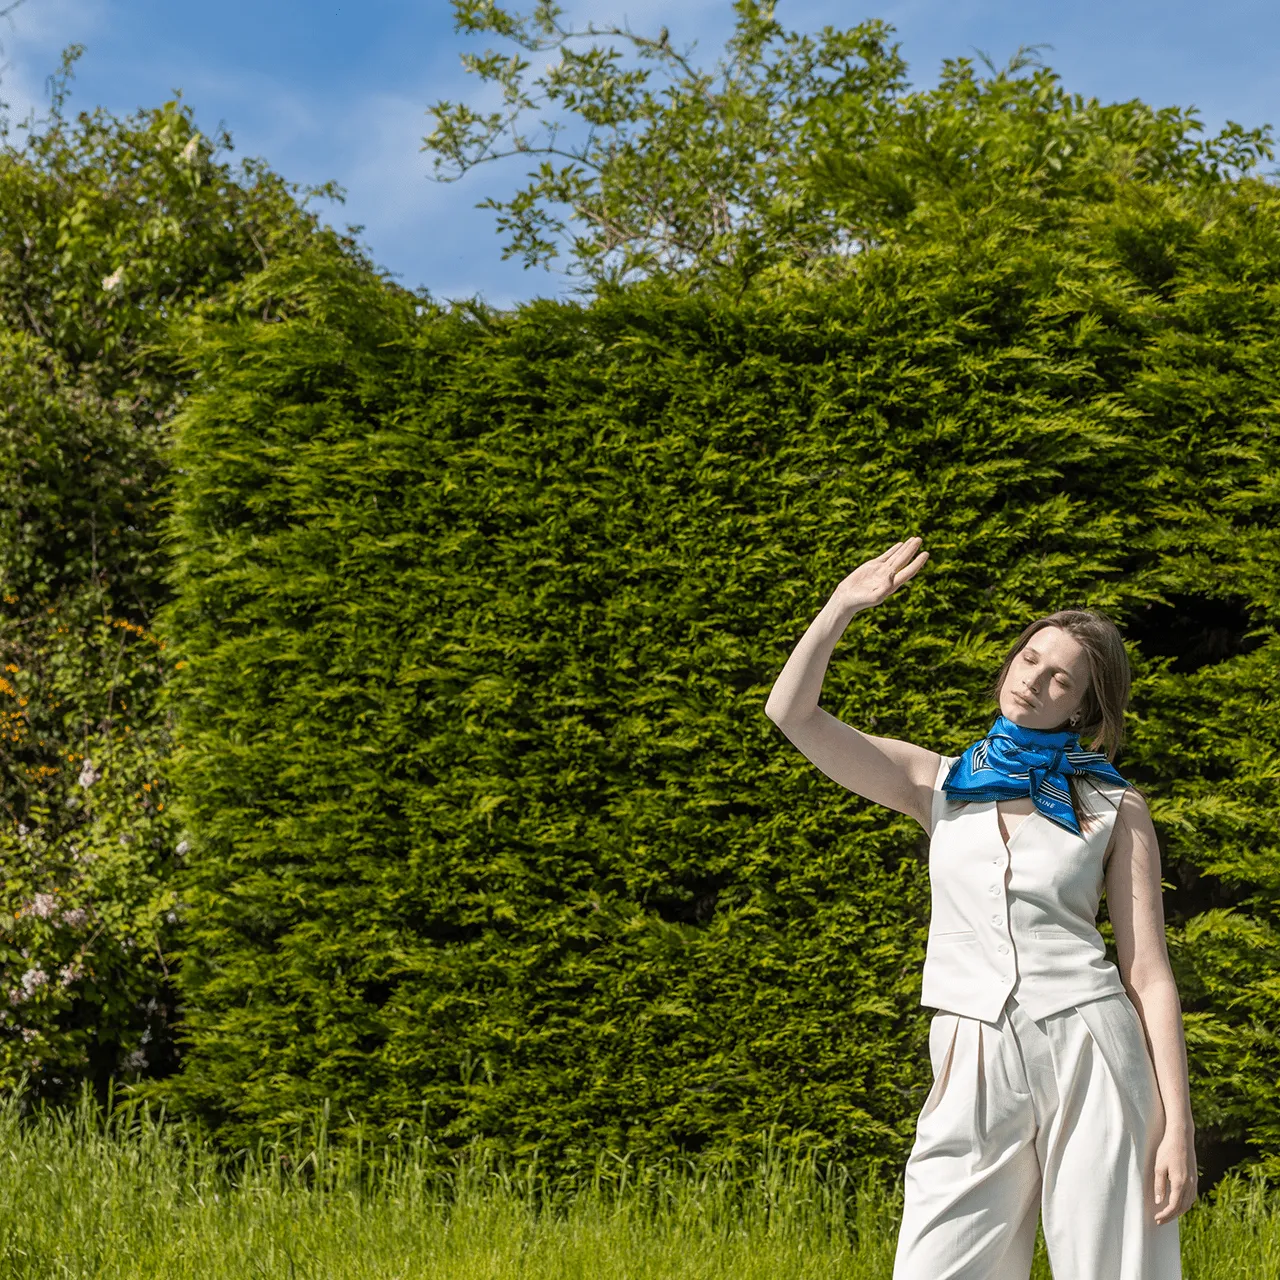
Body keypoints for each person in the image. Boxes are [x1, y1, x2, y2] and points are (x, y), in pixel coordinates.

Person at [763, 536, 1197, 1280]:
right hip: (970, 1050)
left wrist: (1178, 1125)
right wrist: (840, 608)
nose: (1035, 681)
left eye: (1061, 679)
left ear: (1084, 706)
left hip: (1092, 1046)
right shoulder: (938, 782)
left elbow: (1148, 973)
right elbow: (792, 714)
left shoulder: (1114, 803)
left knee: (1114, 1269)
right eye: (1031, 658)